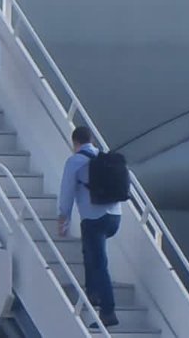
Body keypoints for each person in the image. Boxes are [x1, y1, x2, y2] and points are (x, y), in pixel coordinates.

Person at [57, 126, 123, 329]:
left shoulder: (75, 161)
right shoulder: (104, 157)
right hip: (115, 216)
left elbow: (67, 191)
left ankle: (108, 311)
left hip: (94, 219)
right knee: (89, 251)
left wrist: (63, 218)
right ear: (91, 140)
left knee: (99, 263)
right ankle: (92, 292)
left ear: (75, 142)